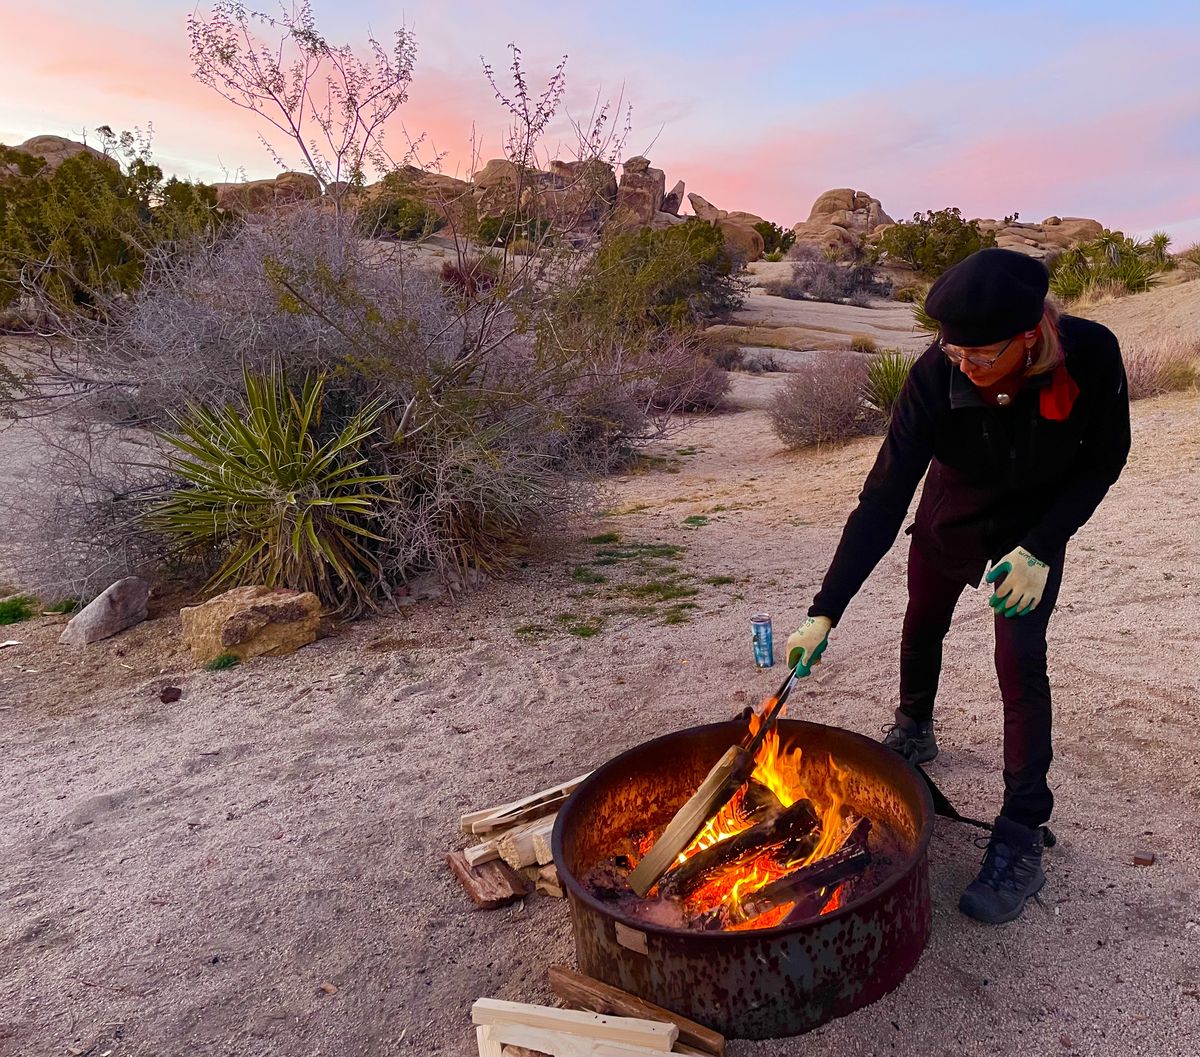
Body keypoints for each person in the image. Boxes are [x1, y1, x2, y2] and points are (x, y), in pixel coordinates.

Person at [784, 248, 1130, 924]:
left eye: (980, 356)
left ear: (1030, 335)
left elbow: (1104, 460)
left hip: (1034, 527)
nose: (963, 368)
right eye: (952, 352)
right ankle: (914, 725)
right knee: (925, 616)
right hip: (953, 508)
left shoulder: (1091, 353)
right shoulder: (931, 376)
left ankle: (1021, 832)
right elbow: (883, 499)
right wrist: (824, 612)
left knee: (1019, 661)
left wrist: (1042, 545)